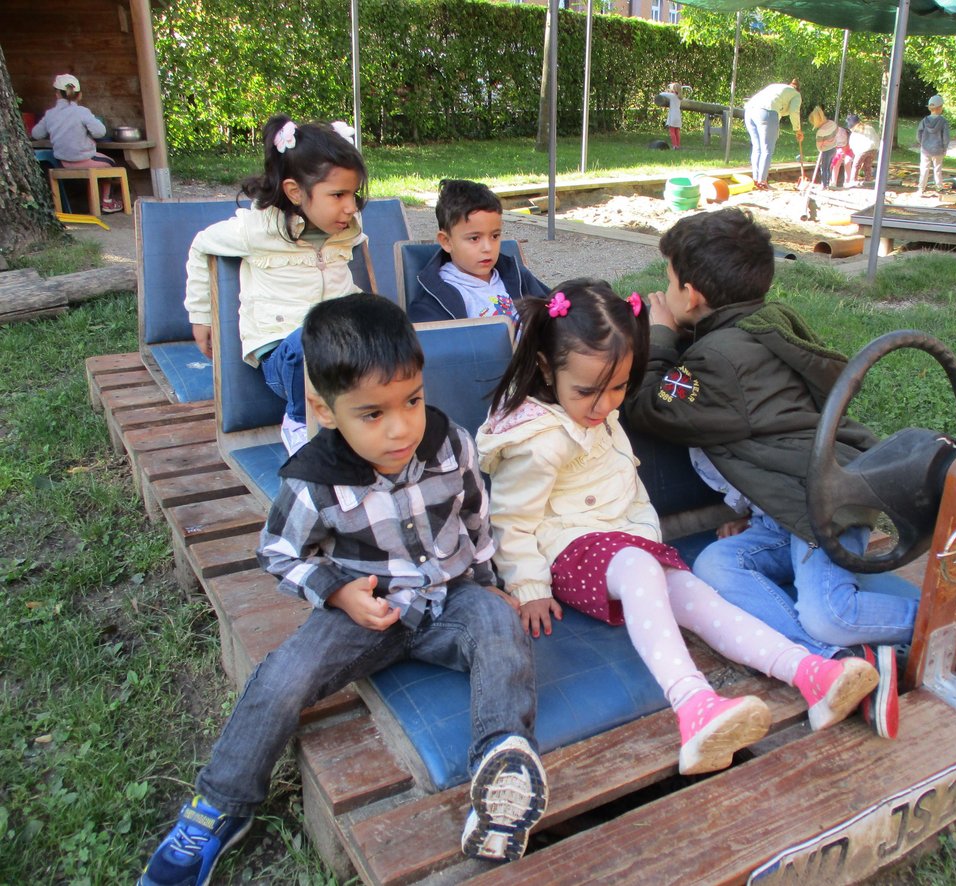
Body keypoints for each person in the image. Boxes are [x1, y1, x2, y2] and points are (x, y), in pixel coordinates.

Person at [137, 294, 546, 886]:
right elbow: (277, 552)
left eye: (411, 399)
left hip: (452, 600)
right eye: (372, 414)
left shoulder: (450, 443)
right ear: (327, 412)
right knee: (284, 675)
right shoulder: (313, 482)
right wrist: (337, 592)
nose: (401, 426)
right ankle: (221, 803)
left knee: (501, 627)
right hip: (366, 610)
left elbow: (474, 518)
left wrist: (489, 583)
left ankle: (501, 773)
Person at [624, 208, 956, 740]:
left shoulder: (715, 363)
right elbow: (761, 431)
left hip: (819, 502)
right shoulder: (764, 322)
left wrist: (661, 334)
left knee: (831, 612)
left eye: (668, 281)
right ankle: (841, 665)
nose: (662, 291)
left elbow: (652, 404)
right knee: (717, 565)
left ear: (691, 294)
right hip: (783, 507)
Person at [476, 280, 879, 777]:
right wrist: (528, 586)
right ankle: (694, 707)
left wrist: (646, 540)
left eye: (619, 387)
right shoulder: (538, 440)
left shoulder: (597, 414)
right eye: (588, 391)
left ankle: (810, 672)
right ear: (544, 368)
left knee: (696, 593)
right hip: (568, 553)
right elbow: (511, 520)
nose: (605, 405)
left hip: (625, 547)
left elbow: (627, 485)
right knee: (644, 567)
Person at [183, 114, 368, 455]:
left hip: (340, 353)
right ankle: (299, 421)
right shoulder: (255, 231)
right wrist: (201, 315)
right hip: (285, 357)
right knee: (307, 339)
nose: (350, 206)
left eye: (353, 194)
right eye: (338, 194)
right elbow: (201, 245)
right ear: (295, 191)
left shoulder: (347, 230)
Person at [407, 178, 550, 324]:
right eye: (474, 238)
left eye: (495, 236)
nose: (488, 248)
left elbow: (554, 308)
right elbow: (431, 341)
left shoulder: (515, 275)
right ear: (446, 241)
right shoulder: (435, 297)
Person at [30, 73, 122, 213]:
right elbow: (100, 132)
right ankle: (106, 202)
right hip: (84, 159)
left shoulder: (50, 114)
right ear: (79, 95)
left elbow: (36, 134)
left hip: (62, 162)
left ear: (57, 94)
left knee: (101, 163)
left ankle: (97, 202)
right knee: (110, 163)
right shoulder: (82, 112)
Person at [743, 81, 803, 191]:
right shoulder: (796, 95)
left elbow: (777, 112)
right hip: (767, 112)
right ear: (798, 89)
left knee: (757, 147)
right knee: (767, 149)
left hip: (749, 111)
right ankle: (762, 181)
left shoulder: (777, 88)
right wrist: (798, 130)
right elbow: (794, 112)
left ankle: (756, 179)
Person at [916, 94, 950, 196]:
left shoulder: (924, 121)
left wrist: (922, 143)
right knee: (937, 169)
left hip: (925, 149)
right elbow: (946, 137)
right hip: (938, 149)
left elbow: (918, 134)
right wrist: (945, 147)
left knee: (924, 169)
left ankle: (921, 188)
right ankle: (939, 187)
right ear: (939, 108)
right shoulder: (943, 122)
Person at [840, 114, 881, 188]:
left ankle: (852, 181)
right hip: (874, 149)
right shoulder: (869, 128)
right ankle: (868, 180)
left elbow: (854, 145)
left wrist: (858, 157)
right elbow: (876, 138)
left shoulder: (855, 132)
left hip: (863, 150)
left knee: (856, 166)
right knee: (867, 166)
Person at [809, 106, 839, 190]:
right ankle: (828, 183)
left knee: (824, 168)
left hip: (826, 151)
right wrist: (831, 140)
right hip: (834, 148)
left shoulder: (821, 132)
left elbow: (819, 145)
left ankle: (824, 185)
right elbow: (837, 131)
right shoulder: (832, 123)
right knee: (829, 167)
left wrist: (821, 148)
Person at [661, 82, 684, 150]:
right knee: (677, 132)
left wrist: (668, 91)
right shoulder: (680, 97)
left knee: (672, 131)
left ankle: (674, 145)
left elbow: (662, 94)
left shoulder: (672, 96)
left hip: (673, 115)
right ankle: (678, 145)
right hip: (678, 115)